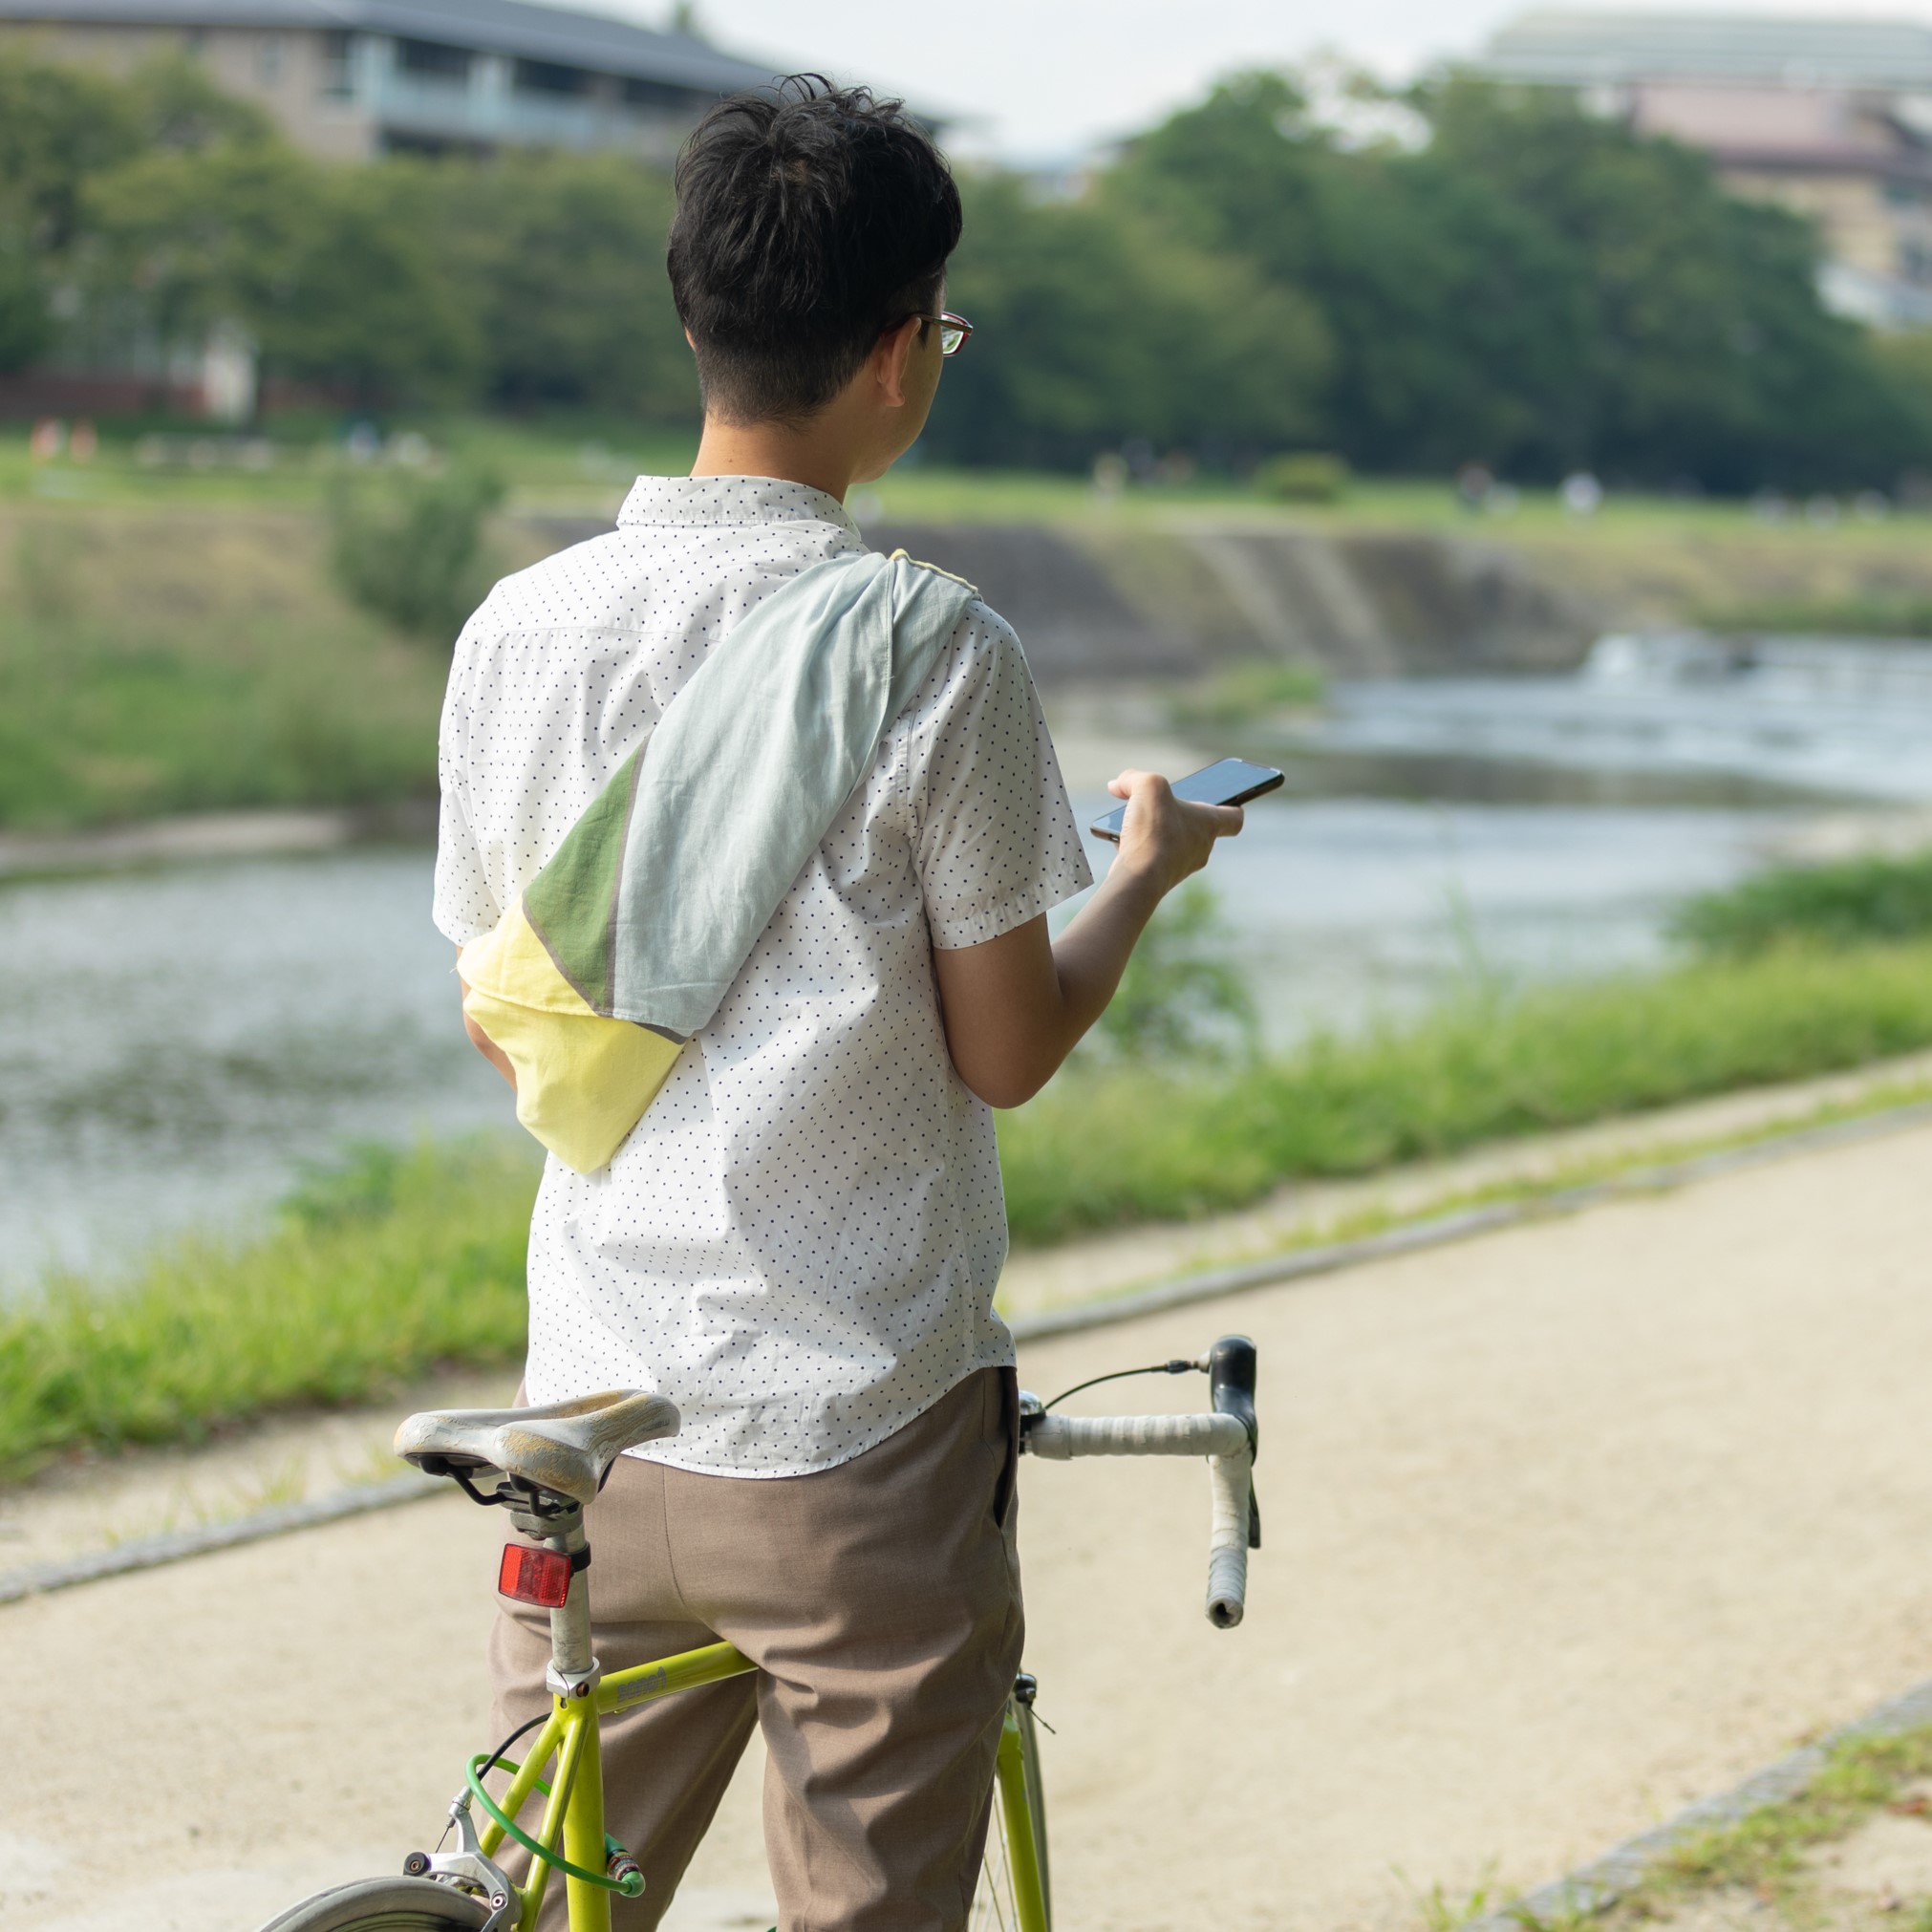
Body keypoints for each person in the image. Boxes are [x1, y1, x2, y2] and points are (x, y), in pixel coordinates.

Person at [431, 75, 1243, 1932]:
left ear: (695, 313)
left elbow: (508, 1020)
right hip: (856, 1435)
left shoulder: (518, 627)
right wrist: (1137, 881)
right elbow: (1008, 1050)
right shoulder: (933, 646)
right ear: (899, 353)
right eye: (940, 327)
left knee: (549, 1905)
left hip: (595, 1411)